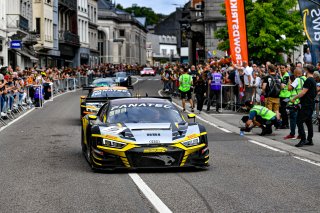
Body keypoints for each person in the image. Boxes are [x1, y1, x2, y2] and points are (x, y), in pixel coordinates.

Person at [291, 65, 317, 147]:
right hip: (310, 104)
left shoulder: (308, 80)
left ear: (307, 71)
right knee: (308, 122)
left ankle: (303, 139)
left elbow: (303, 92)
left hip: (306, 104)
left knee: (299, 121)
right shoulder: (313, 80)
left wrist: (294, 98)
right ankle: (309, 139)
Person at [284, 67, 306, 140]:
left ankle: (292, 133)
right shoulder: (305, 79)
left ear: (296, 74)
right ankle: (300, 134)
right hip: (302, 101)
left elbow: (289, 88)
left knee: (293, 119)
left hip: (295, 102)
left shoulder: (297, 79)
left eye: (294, 73)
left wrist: (290, 82)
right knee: (300, 119)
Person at [279, 64, 291, 129]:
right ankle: (284, 123)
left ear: (286, 69)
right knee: (282, 110)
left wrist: (279, 84)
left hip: (285, 95)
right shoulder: (283, 76)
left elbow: (282, 86)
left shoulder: (286, 76)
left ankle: (285, 124)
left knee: (283, 110)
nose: (281, 69)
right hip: (282, 95)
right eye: (281, 68)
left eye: (283, 68)